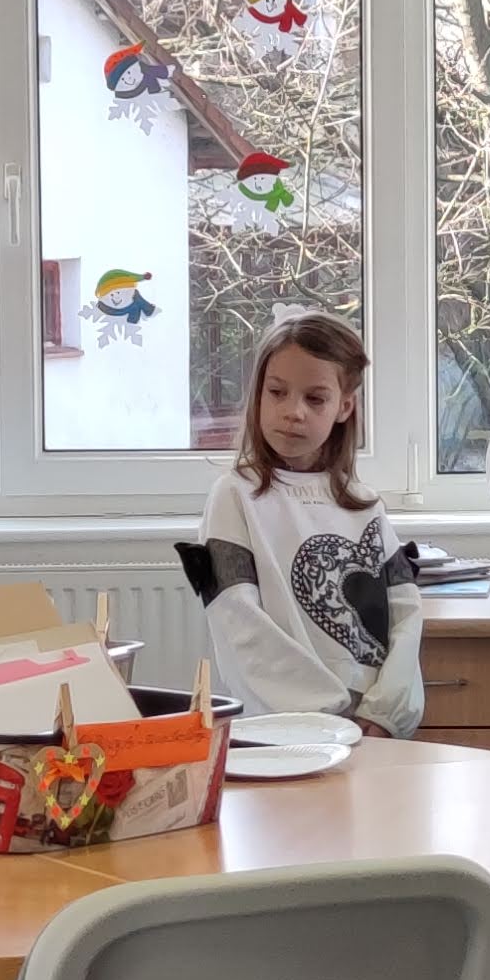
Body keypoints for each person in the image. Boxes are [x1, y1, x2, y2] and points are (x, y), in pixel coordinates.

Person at [197, 315, 427, 734]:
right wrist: (325, 713)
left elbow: (405, 615)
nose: (293, 412)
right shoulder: (234, 497)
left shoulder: (366, 505)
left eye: (315, 398)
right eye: (277, 392)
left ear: (345, 406)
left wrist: (383, 712)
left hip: (372, 728)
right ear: (258, 394)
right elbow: (239, 624)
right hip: (286, 730)